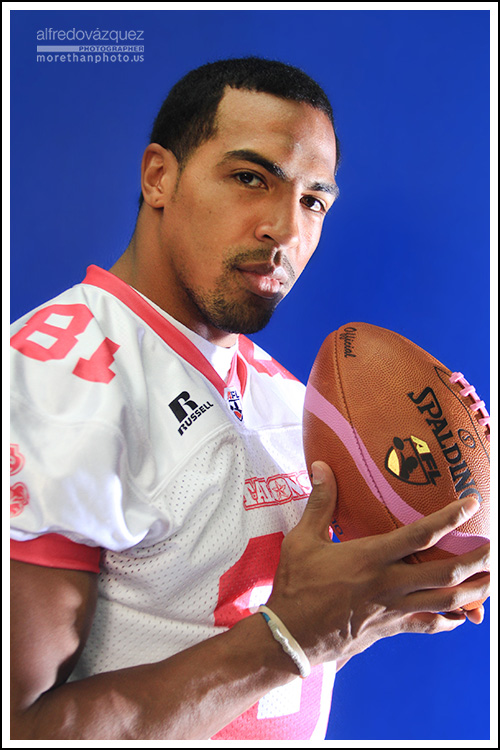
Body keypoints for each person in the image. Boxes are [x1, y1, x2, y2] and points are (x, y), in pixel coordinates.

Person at [10, 57, 489, 741]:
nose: (285, 230)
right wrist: (291, 639)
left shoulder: (292, 398)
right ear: (159, 177)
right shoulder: (50, 387)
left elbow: (279, 644)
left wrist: (370, 608)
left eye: (313, 201)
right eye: (250, 178)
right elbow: (22, 729)